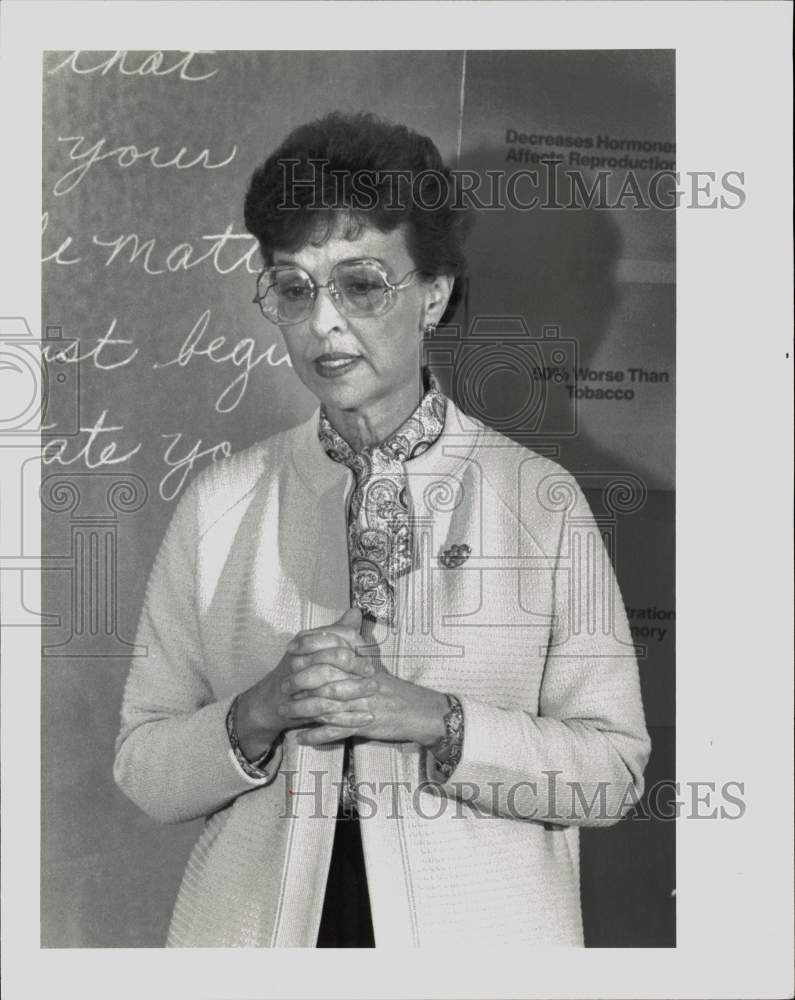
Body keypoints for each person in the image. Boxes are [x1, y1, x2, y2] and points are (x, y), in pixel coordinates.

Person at [113, 111, 651, 948]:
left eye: (361, 285)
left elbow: (610, 774)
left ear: (433, 294)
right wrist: (260, 711)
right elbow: (144, 770)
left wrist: (433, 719)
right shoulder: (220, 502)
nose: (323, 325)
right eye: (294, 288)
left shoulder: (538, 500)